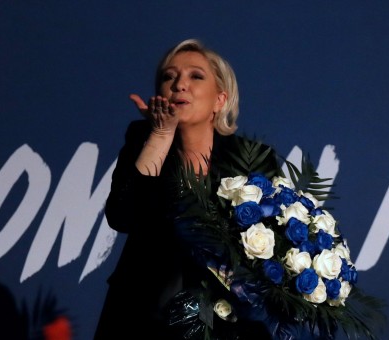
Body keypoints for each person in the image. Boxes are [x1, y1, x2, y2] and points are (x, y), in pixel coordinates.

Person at [94, 39, 282, 339]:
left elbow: (272, 247)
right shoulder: (142, 140)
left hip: (228, 321)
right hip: (143, 316)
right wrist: (160, 134)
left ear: (220, 99)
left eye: (196, 76)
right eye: (169, 77)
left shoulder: (252, 158)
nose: (179, 84)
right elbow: (123, 216)